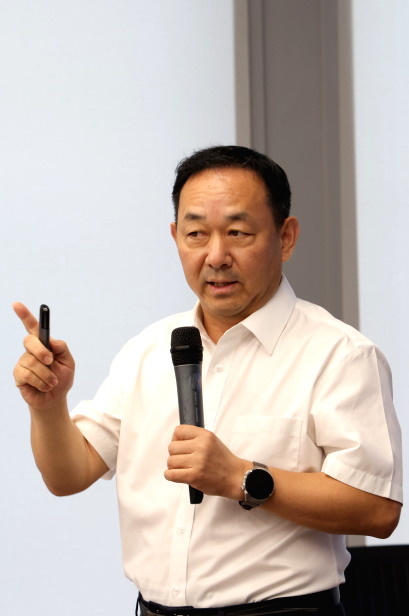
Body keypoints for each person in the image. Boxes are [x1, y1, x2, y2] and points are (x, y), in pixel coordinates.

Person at [13, 145, 402, 616]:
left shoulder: (340, 354)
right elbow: (68, 476)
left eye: (238, 232)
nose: (216, 256)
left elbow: (377, 509)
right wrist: (49, 405)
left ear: (286, 237)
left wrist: (240, 477)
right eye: (196, 233)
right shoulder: (146, 349)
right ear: (175, 237)